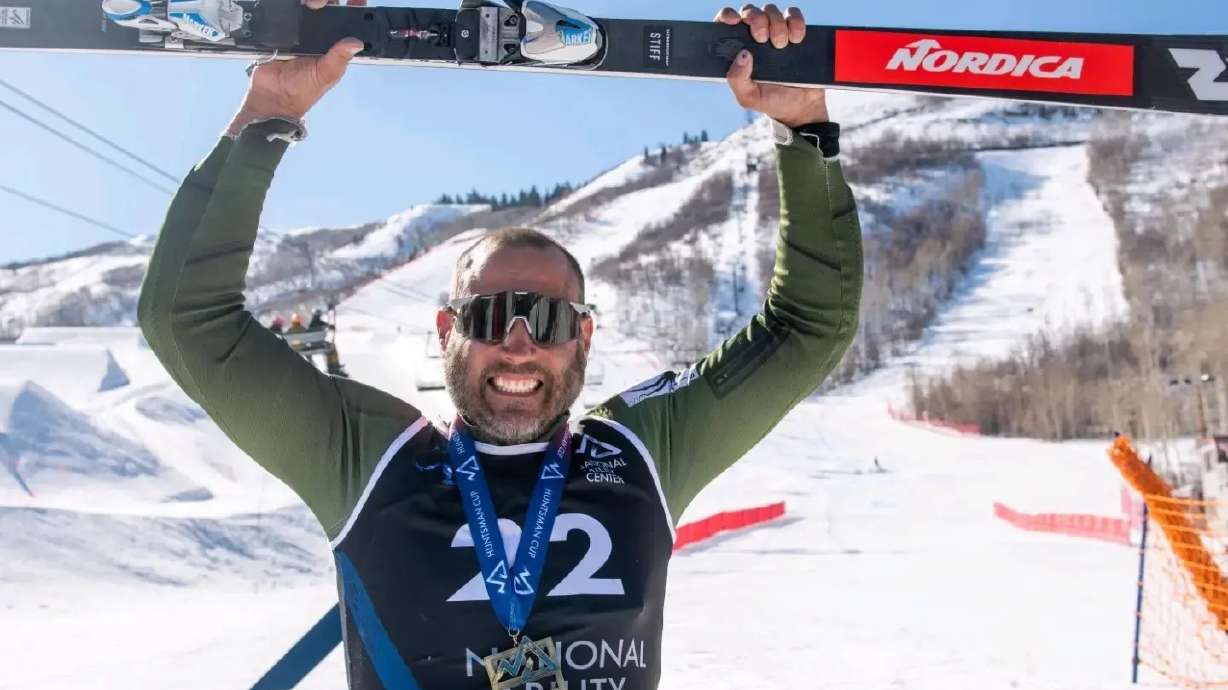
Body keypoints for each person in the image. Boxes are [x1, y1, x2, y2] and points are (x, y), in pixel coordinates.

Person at [136, 1, 863, 688]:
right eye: (490, 318)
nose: (518, 346)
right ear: (448, 331)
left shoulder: (643, 452)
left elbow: (807, 329)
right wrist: (267, 115)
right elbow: (186, 322)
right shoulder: (368, 458)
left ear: (582, 336)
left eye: (546, 321)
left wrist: (804, 133)